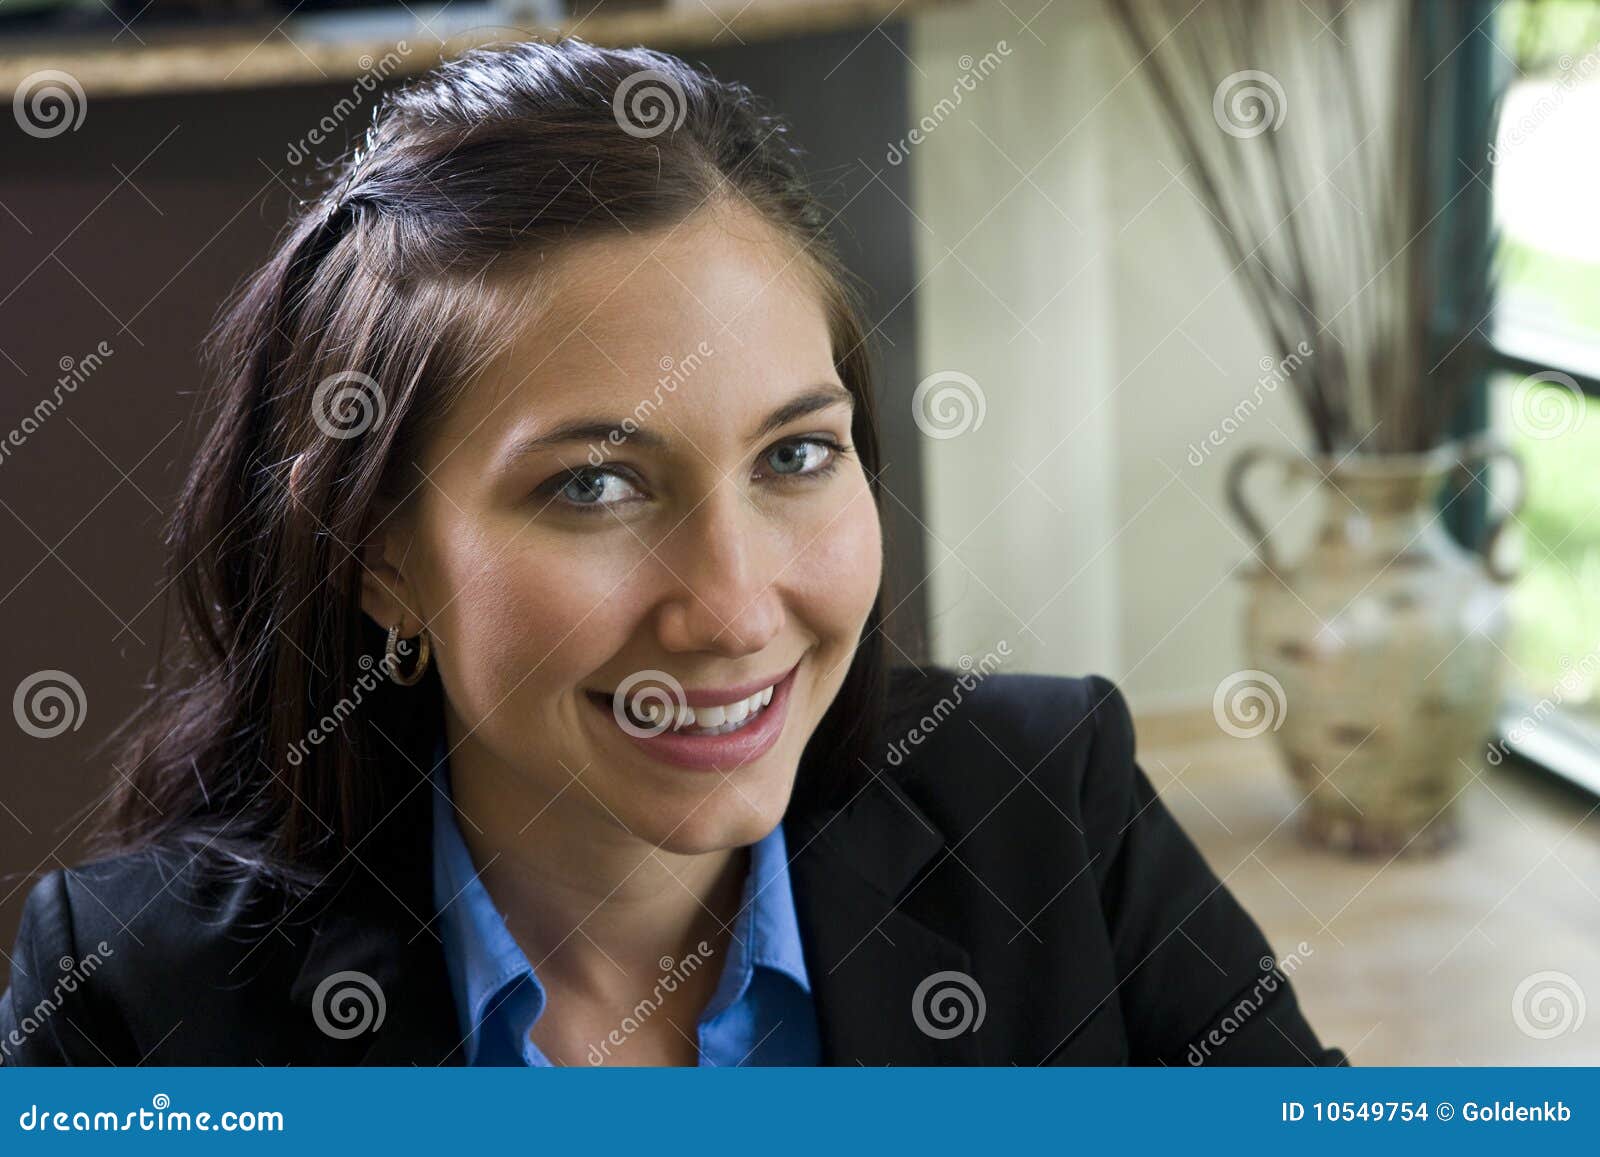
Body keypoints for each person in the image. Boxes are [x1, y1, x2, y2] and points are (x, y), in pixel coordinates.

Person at [0, 38, 1344, 1067]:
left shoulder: (1055, 809)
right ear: (379, 555)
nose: (734, 605)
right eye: (594, 485)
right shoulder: (133, 996)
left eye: (796, 455)